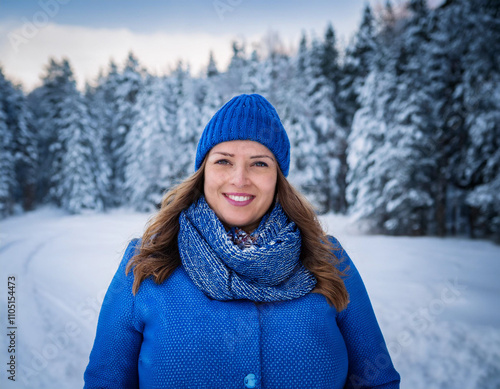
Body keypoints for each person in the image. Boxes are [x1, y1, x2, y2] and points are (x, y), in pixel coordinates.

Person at [84, 94, 400, 388]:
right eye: (223, 161)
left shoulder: (328, 260)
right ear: (203, 172)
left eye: (259, 163)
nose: (239, 178)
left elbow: (376, 380)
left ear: (278, 177)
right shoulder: (146, 263)